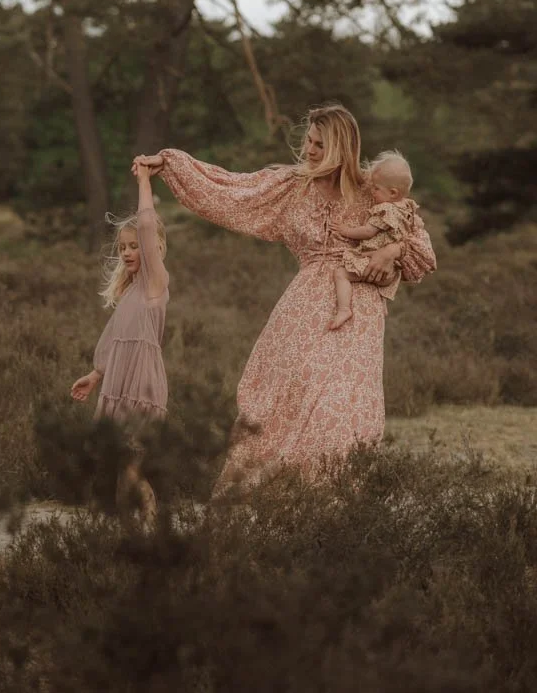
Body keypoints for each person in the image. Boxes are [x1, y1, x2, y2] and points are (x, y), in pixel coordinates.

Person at [135, 103, 435, 497]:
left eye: (319, 144)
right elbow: (232, 190)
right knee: (283, 397)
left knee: (340, 407)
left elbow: (422, 251)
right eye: (308, 141)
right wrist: (171, 164)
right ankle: (275, 501)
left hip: (359, 307)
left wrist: (390, 252)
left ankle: (330, 500)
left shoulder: (372, 189)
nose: (309, 150)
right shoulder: (290, 187)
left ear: (341, 148)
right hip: (304, 304)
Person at [70, 158, 170, 522]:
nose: (128, 252)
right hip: (118, 381)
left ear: (154, 247)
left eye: (135, 245)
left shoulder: (155, 283)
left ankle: (148, 530)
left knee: (130, 466)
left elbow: (145, 223)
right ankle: (134, 533)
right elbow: (114, 339)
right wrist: (96, 375)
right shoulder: (129, 294)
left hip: (141, 386)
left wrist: (145, 180)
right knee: (122, 466)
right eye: (123, 247)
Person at [327, 150, 421, 331]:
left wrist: (345, 230)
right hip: (391, 271)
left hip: (373, 263)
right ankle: (381, 301)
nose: (372, 191)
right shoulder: (407, 208)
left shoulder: (386, 210)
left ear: (393, 193)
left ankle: (344, 309)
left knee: (340, 273)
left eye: (376, 188)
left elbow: (368, 231)